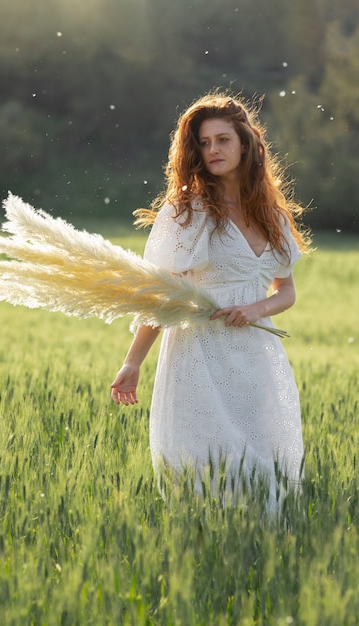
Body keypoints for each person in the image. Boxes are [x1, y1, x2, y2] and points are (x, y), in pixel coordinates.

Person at [110, 91, 310, 506]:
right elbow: (163, 295)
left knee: (265, 459)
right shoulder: (192, 209)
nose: (213, 150)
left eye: (223, 140)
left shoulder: (271, 213)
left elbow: (285, 290)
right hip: (199, 350)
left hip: (257, 351)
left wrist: (257, 308)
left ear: (246, 144)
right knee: (206, 462)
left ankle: (261, 557)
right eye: (204, 142)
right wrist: (132, 363)